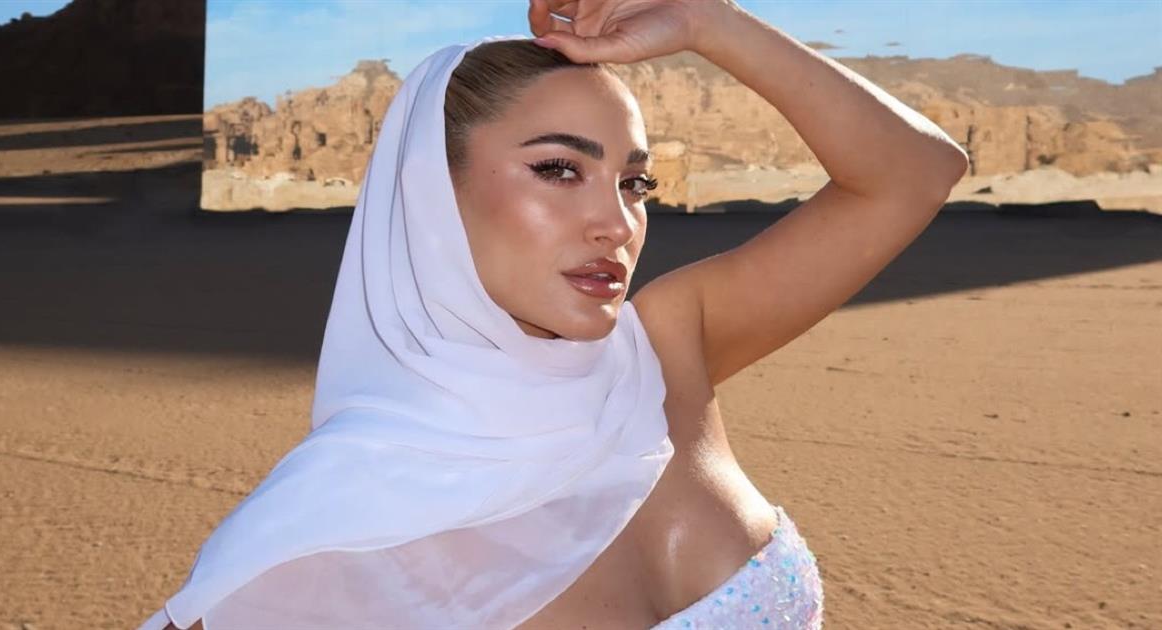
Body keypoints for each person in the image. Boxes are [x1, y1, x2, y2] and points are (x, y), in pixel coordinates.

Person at [143, 0, 968, 628]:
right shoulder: (324, 522)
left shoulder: (665, 351)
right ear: (431, 194)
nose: (617, 223)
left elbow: (916, 173)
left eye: (634, 183)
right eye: (559, 170)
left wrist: (704, 19)